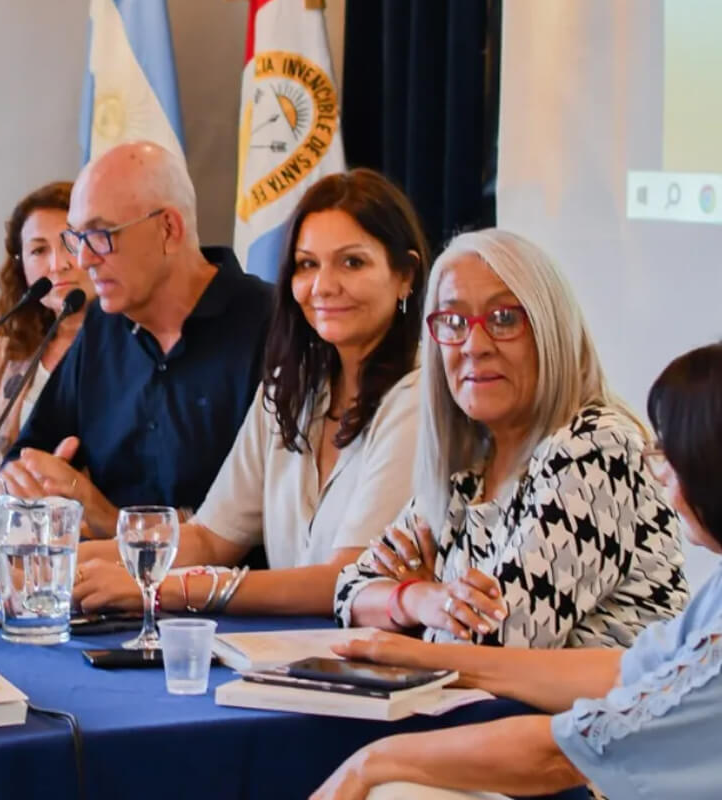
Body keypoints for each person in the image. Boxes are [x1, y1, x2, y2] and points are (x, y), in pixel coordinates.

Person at [310, 341, 722, 800]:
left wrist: (371, 762)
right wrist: (418, 633)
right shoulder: (462, 461)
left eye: (672, 451)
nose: (473, 348)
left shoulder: (595, 447)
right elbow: (623, 672)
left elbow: (562, 754)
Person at [73, 169, 428, 615]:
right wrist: (63, 562)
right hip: (283, 657)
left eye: (352, 262)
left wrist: (161, 590)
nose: (323, 286)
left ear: (406, 276)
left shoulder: (420, 394)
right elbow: (209, 539)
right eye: (307, 264)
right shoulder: (292, 385)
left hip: (378, 667)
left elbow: (348, 580)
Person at [334, 229, 685, 648]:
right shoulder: (468, 468)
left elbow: (495, 641)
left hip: (595, 716)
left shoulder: (599, 449)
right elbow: (348, 590)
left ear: (550, 331)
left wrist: (423, 611)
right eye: (454, 321)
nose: (474, 345)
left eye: (504, 319)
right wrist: (420, 598)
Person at [0, 141, 273, 538]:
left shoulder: (269, 324)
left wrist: (104, 515)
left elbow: (258, 525)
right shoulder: (100, 327)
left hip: (223, 592)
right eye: (78, 238)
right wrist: (26, 480)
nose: (83, 259)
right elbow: (29, 454)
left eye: (100, 235)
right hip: (103, 583)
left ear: (168, 229)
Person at [0, 181, 96, 473]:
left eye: (71, 243)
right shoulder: (12, 344)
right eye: (38, 251)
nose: (57, 265)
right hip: (6, 513)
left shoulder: (130, 345)